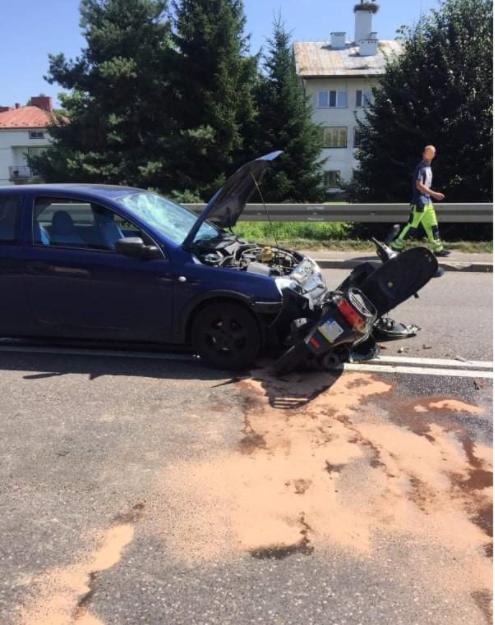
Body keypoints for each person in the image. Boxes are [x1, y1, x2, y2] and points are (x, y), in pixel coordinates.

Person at [391, 145, 450, 257]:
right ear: (424, 154)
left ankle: (437, 249)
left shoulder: (428, 167)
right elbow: (419, 185)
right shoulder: (421, 167)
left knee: (433, 226)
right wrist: (434, 194)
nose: (431, 154)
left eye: (432, 152)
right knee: (412, 225)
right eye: (429, 152)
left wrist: (431, 196)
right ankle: (396, 246)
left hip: (427, 201)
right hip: (420, 202)